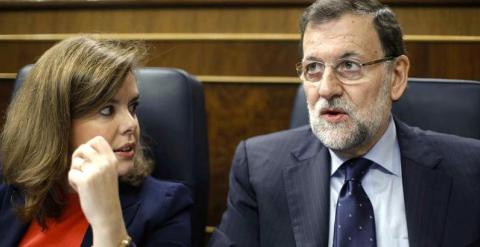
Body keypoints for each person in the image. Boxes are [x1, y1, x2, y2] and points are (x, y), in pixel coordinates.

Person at [209, 0, 480, 246]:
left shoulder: (470, 171)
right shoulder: (258, 169)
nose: (326, 89)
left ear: (396, 77)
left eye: (349, 65)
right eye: (313, 67)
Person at [0, 36, 192, 246]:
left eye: (133, 107)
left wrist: (108, 222)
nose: (131, 124)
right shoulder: (10, 193)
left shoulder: (167, 206)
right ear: (57, 122)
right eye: (107, 110)